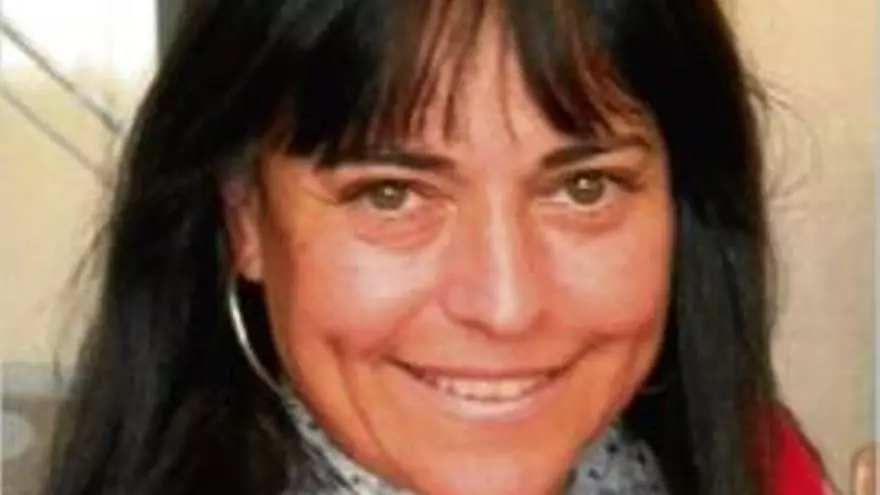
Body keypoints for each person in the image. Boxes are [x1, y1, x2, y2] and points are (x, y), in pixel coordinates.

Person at [42, 1, 830, 494]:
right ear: (244, 217)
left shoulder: (764, 469)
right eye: (391, 194)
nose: (505, 305)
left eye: (584, 187)